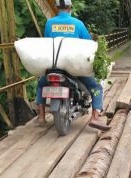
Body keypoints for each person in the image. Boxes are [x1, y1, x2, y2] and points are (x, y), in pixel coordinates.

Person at [35, 0, 111, 131]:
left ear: (56, 7)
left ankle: (41, 116)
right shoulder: (78, 24)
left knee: (41, 84)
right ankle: (95, 117)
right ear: (70, 7)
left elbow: (47, 42)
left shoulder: (49, 23)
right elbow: (87, 44)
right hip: (74, 69)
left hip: (54, 67)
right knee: (96, 86)